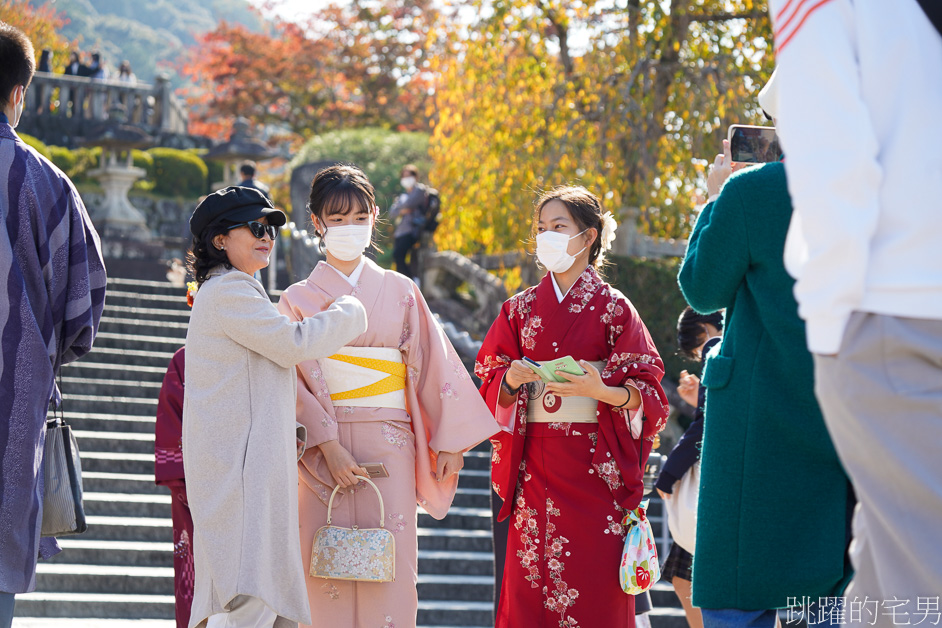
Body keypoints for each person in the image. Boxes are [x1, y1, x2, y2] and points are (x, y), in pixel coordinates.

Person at [768, 0, 942, 614]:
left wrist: (828, 330)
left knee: (920, 584)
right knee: (882, 585)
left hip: (892, 306)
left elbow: (833, 166)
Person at [276, 164, 498, 628]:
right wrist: (327, 443)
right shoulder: (297, 298)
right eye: (337, 218)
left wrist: (451, 443)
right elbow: (287, 379)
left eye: (359, 216)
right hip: (319, 451)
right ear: (316, 222)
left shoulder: (400, 290)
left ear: (376, 216)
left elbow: (433, 366)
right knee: (321, 570)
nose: (349, 227)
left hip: (390, 441)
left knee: (393, 574)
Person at [677, 73, 854, 628]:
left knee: (740, 581)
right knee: (829, 572)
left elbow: (702, 288)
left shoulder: (752, 192)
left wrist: (714, 198)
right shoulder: (870, 191)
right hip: (840, 402)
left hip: (754, 409)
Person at [476, 185, 669, 628]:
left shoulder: (616, 309)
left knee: (594, 594)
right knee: (530, 589)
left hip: (595, 470)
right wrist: (510, 379)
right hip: (534, 469)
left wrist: (602, 391)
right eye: (541, 228)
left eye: (558, 227)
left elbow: (652, 394)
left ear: (588, 237)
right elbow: (488, 376)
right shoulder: (519, 309)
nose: (546, 236)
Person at [182, 186, 368, 628]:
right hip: (242, 472)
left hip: (242, 466)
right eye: (254, 226)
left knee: (254, 595)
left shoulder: (228, 290)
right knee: (252, 594)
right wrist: (349, 310)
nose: (266, 235)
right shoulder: (230, 291)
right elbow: (292, 344)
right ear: (219, 240)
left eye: (270, 228)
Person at [0, 23, 107, 627]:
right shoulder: (46, 181)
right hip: (12, 399)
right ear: (19, 93)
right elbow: (84, 298)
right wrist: (37, 352)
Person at [655, 307, 723, 628]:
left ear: (705, 329)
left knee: (687, 581)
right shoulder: (745, 345)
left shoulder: (717, 348)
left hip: (715, 491)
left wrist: (669, 474)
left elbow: (707, 424)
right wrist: (699, 400)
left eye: (695, 347)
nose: (699, 353)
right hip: (730, 484)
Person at [387, 165, 428, 279]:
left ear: (415, 177)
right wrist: (402, 209)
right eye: (404, 176)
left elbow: (410, 204)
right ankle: (405, 281)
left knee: (399, 255)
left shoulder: (419, 190)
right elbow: (392, 213)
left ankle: (410, 281)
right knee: (397, 257)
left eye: (409, 176)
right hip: (400, 231)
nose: (406, 179)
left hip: (412, 230)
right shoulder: (403, 195)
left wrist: (400, 208)